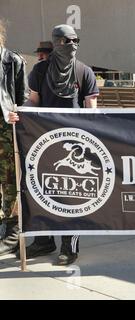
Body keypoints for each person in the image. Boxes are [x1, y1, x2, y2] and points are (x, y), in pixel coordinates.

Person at [9, 24, 99, 265]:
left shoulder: (84, 72)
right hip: (44, 142)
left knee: (71, 194)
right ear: (56, 42)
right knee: (40, 190)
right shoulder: (39, 71)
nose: (72, 45)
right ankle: (44, 240)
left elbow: (91, 110)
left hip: (74, 145)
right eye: (66, 41)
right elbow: (34, 101)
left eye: (75, 40)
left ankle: (69, 246)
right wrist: (18, 112)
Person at [0, 19, 27, 256]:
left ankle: (11, 230)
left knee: (9, 179)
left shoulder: (13, 61)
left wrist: (17, 114)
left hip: (6, 130)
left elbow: (23, 99)